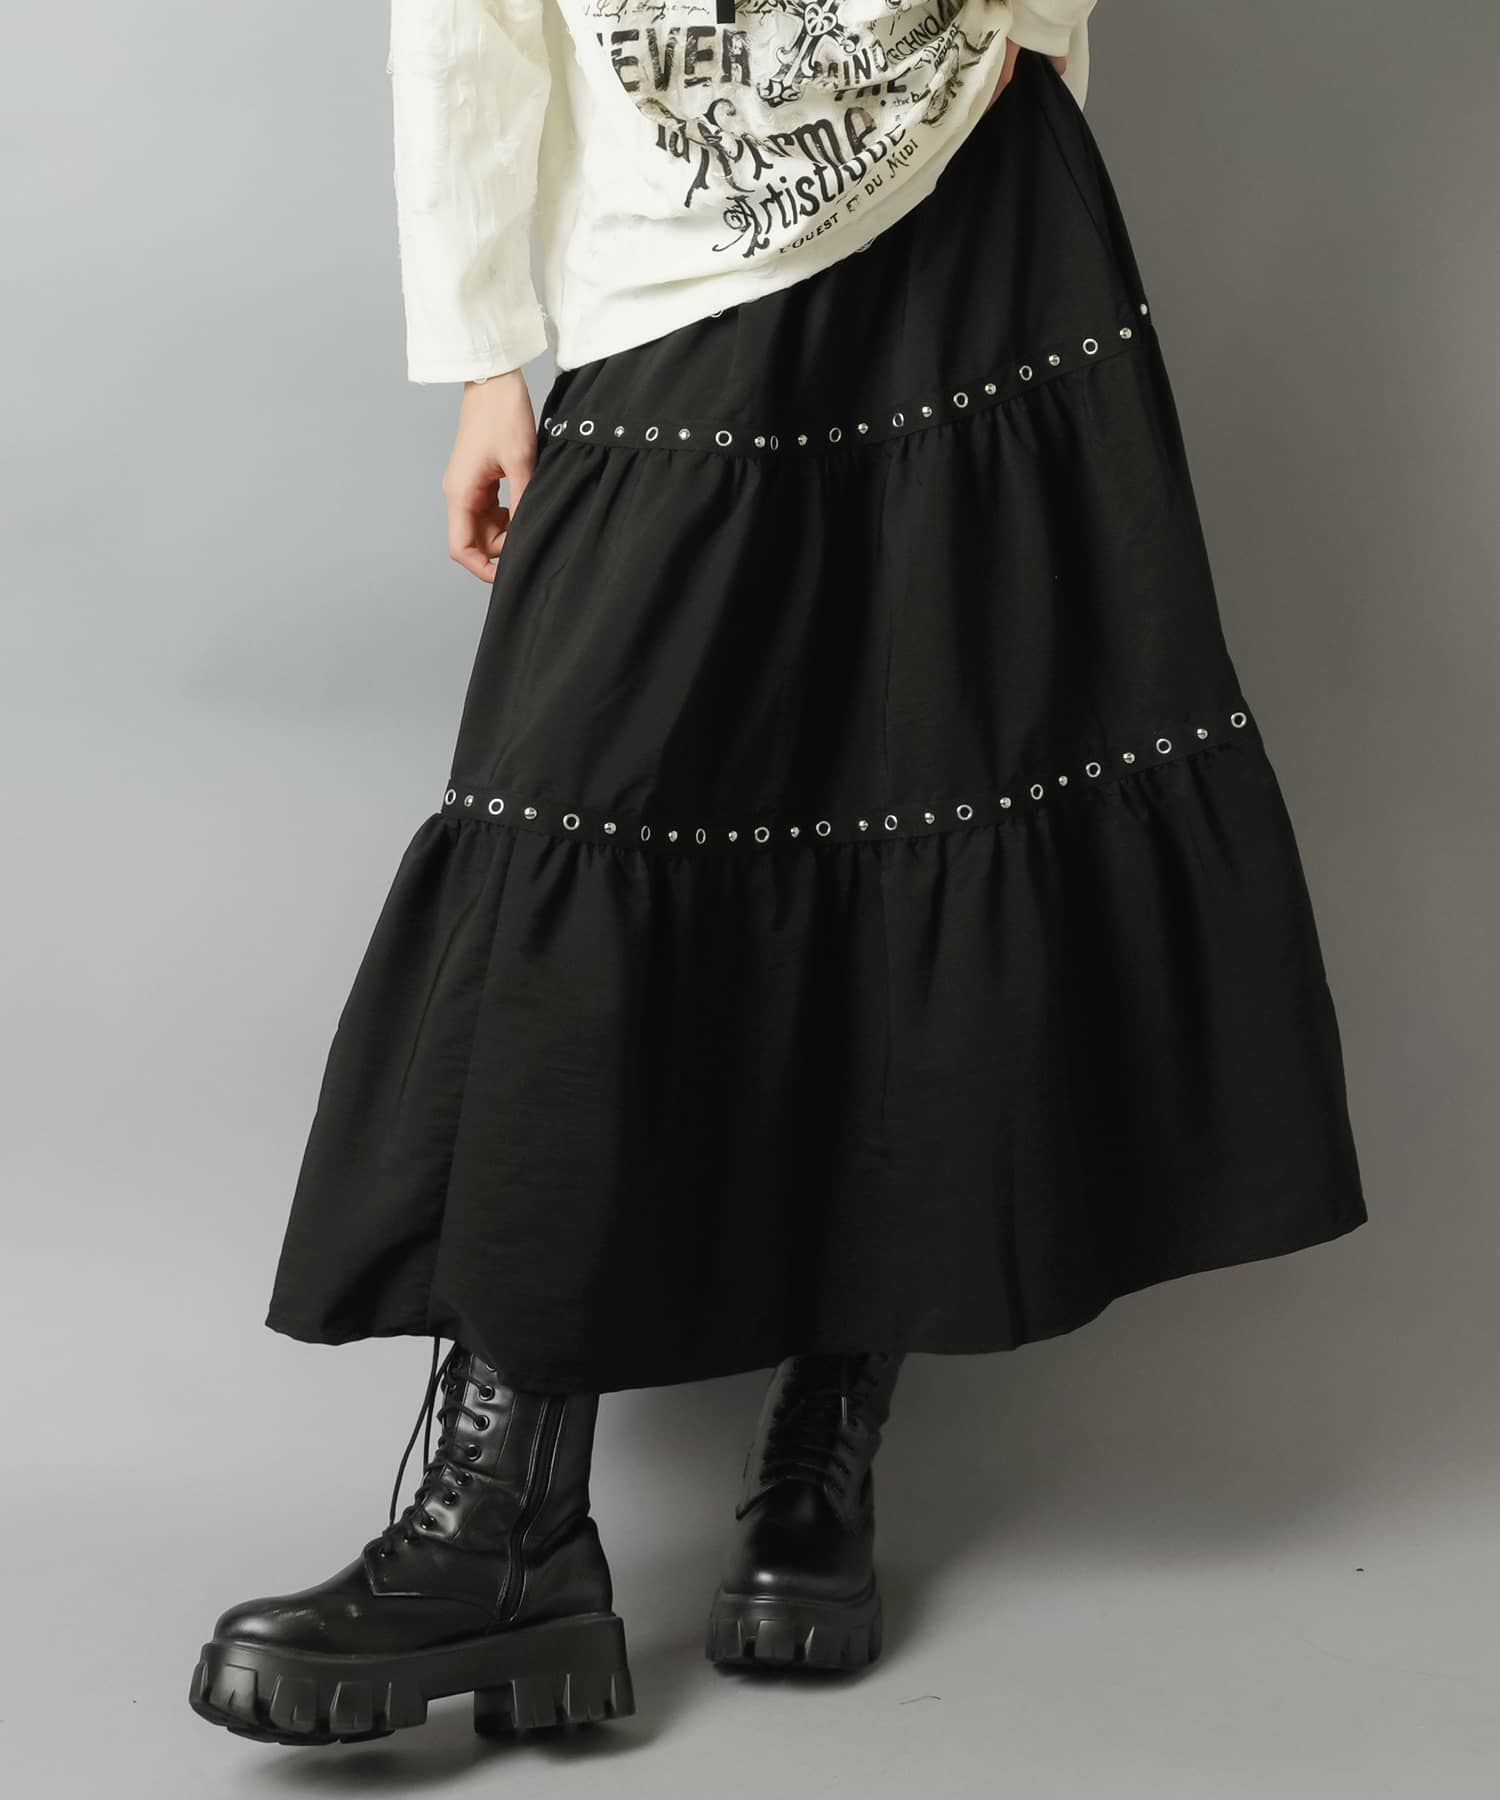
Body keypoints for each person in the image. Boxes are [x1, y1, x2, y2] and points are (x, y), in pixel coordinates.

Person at [188, 0, 1368, 1750]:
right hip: (679, 249)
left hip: (974, 179)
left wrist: (1034, 50)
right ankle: (505, 1523)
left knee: (923, 776)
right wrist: (490, 355)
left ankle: (822, 1449)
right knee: (584, 820)